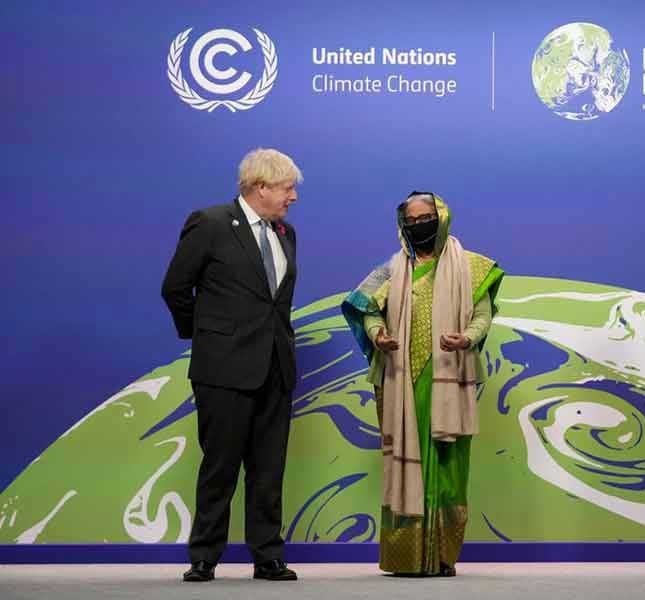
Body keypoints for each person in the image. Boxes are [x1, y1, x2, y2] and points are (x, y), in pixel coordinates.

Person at [341, 192, 504, 576]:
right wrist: (379, 334)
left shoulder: (472, 267)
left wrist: (467, 338)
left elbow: (482, 316)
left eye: (426, 217)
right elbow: (367, 310)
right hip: (400, 384)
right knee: (403, 470)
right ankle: (406, 557)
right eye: (411, 220)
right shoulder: (391, 271)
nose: (419, 225)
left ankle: (443, 556)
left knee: (447, 471)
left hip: (447, 379)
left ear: (442, 217)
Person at [161, 148, 302, 582]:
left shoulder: (285, 233)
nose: (293, 197)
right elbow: (176, 288)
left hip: (275, 369)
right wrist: (208, 338)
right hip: (223, 370)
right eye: (286, 188)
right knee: (219, 466)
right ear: (260, 187)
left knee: (268, 469)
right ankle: (204, 556)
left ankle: (267, 555)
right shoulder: (210, 223)